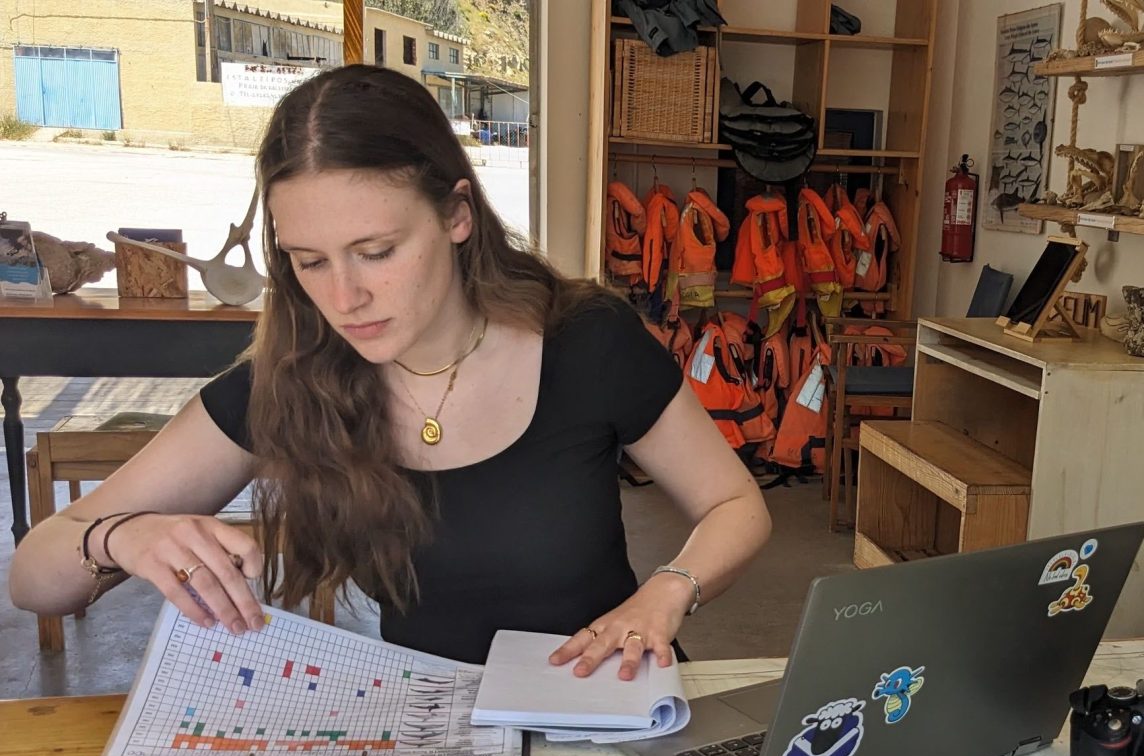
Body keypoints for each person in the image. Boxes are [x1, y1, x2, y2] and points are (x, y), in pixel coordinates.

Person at [8, 64, 771, 680]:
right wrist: (121, 538)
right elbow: (33, 577)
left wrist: (670, 591)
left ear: (457, 215)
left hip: (606, 714)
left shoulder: (586, 341)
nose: (346, 298)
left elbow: (737, 503)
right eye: (310, 262)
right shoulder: (293, 378)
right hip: (421, 747)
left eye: (377, 252)